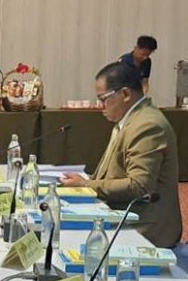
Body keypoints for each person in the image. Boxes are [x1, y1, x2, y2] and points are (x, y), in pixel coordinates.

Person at [60, 62, 181, 248]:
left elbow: (139, 186)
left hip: (144, 226)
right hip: (123, 213)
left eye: (103, 99)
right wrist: (88, 180)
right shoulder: (131, 120)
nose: (100, 106)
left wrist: (86, 184)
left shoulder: (147, 125)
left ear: (125, 94)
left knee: (68, 240)